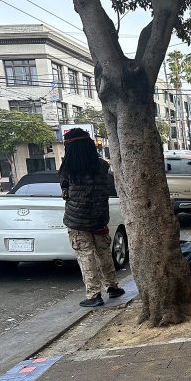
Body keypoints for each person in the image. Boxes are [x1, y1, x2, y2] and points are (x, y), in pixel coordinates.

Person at [58, 128, 125, 307]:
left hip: (77, 221)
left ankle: (94, 295)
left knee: (85, 255)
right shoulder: (102, 166)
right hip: (99, 217)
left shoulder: (68, 168)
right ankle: (112, 287)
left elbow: (65, 192)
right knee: (104, 252)